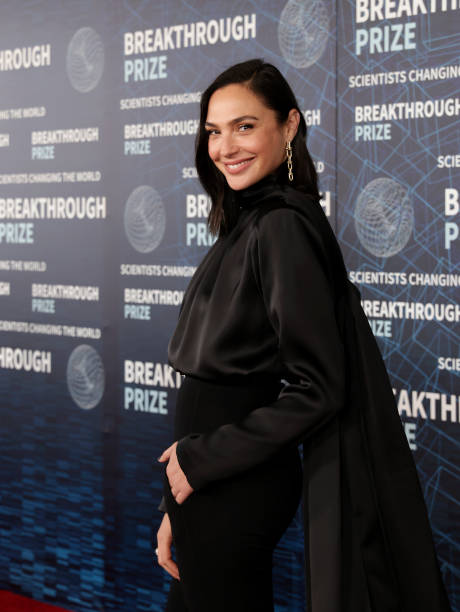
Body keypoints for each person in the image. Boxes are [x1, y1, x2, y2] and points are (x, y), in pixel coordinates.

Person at [154, 59, 452, 612]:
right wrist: (177, 504)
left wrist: (201, 461)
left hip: (235, 488)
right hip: (206, 487)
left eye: (244, 126)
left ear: (289, 126)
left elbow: (320, 387)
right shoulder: (247, 220)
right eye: (214, 131)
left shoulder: (282, 225)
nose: (224, 147)